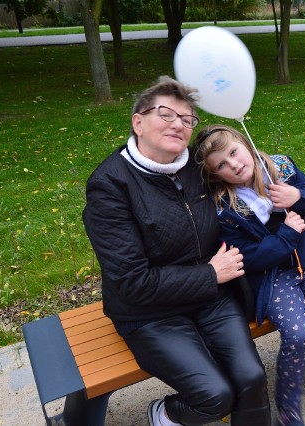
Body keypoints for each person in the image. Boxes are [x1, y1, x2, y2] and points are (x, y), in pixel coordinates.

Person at [82, 76, 271, 426]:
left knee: (251, 378)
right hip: (150, 313)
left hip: (212, 297)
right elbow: (130, 281)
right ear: (138, 122)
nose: (178, 124)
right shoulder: (110, 188)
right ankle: (164, 414)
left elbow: (247, 179)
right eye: (166, 114)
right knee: (215, 396)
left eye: (187, 119)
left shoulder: (196, 168)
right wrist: (210, 274)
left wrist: (298, 201)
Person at [194, 125, 305, 426]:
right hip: (272, 278)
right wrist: (285, 236)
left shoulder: (280, 167)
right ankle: (288, 407)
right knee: (298, 335)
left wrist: (297, 196)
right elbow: (246, 257)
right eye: (221, 164)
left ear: (245, 144)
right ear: (216, 174)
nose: (233, 164)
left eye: (234, 152)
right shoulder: (224, 207)